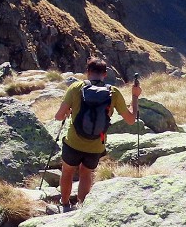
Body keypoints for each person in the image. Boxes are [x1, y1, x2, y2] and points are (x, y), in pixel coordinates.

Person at [53, 57, 141, 209]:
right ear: (105, 74)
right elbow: (131, 119)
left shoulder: (76, 88)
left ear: (87, 72)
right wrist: (135, 95)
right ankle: (81, 207)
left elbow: (58, 116)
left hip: (73, 141)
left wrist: (68, 111)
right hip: (96, 146)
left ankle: (65, 204)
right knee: (86, 173)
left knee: (67, 171)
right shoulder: (113, 92)